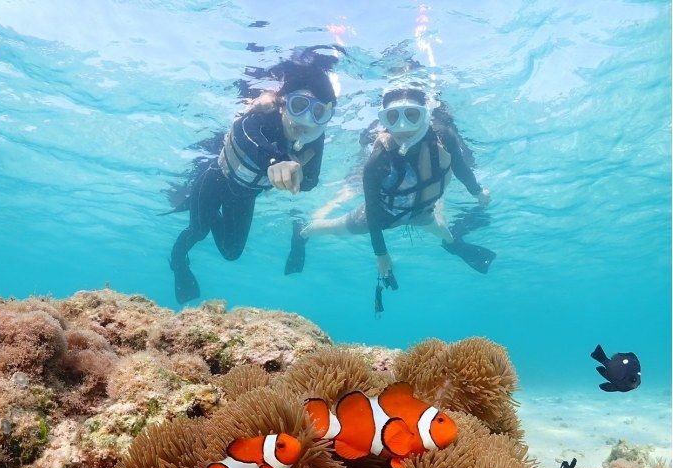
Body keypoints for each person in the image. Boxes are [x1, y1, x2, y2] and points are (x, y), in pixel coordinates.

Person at [168, 53, 338, 304]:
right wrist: (277, 159)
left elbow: (310, 182)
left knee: (232, 253)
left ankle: (209, 214)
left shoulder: (314, 137)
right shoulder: (261, 118)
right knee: (197, 230)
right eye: (299, 106)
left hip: (245, 196)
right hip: (215, 181)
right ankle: (178, 263)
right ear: (283, 104)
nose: (306, 121)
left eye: (318, 113)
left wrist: (298, 170)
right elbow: (246, 135)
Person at [286, 87, 495, 281]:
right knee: (335, 228)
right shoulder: (378, 159)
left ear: (426, 115)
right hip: (383, 215)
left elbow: (460, 167)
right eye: (393, 117)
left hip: (421, 213)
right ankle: (303, 232)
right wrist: (382, 255)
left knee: (445, 233)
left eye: (412, 115)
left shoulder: (443, 136)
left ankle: (453, 245)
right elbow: (373, 210)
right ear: (384, 120)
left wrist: (477, 192)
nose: (403, 127)